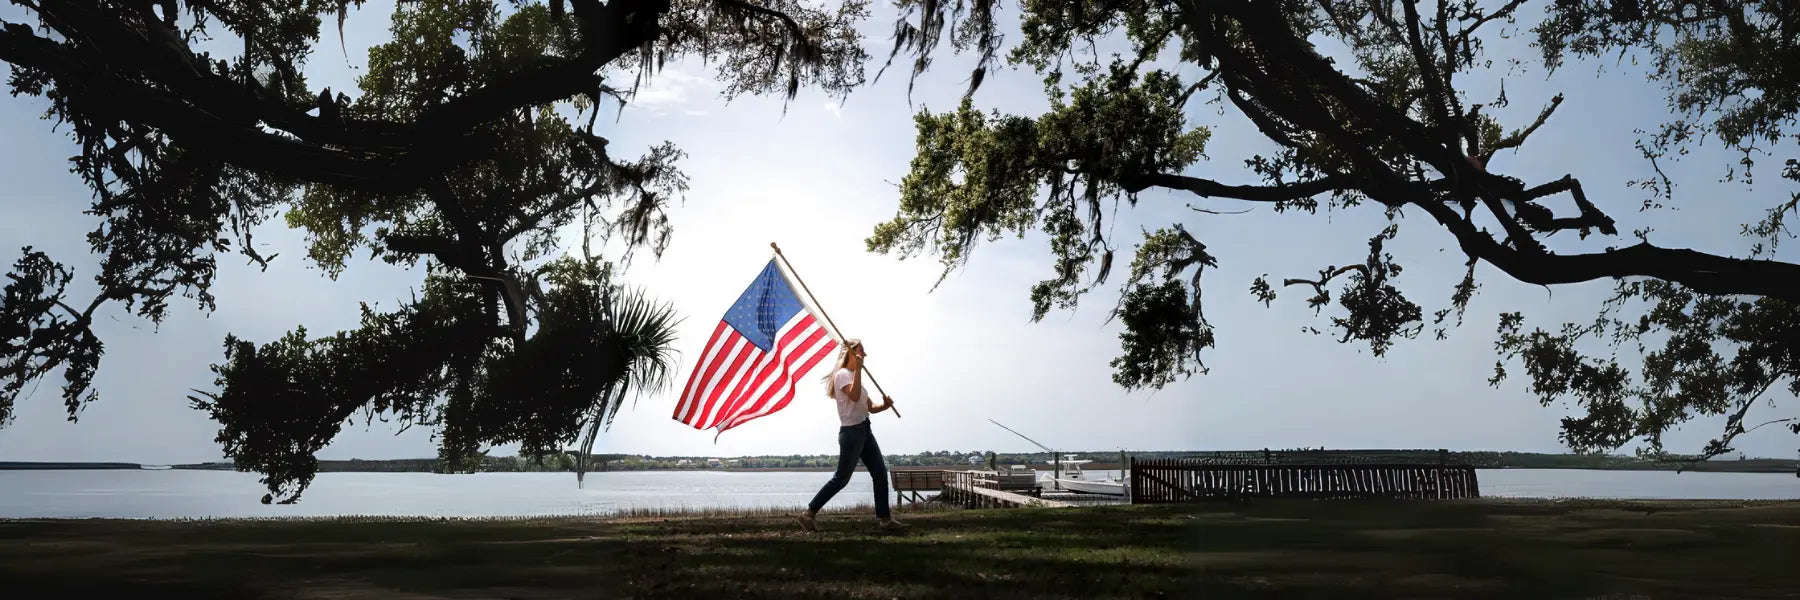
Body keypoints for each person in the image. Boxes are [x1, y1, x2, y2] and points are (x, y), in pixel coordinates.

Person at [796, 339, 906, 532]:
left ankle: (885, 519)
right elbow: (854, 396)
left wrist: (886, 405)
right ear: (851, 353)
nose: (865, 355)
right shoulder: (842, 375)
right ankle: (808, 514)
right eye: (862, 351)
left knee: (880, 473)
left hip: (865, 429)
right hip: (852, 433)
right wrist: (860, 370)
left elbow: (869, 407)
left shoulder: (855, 376)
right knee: (841, 478)